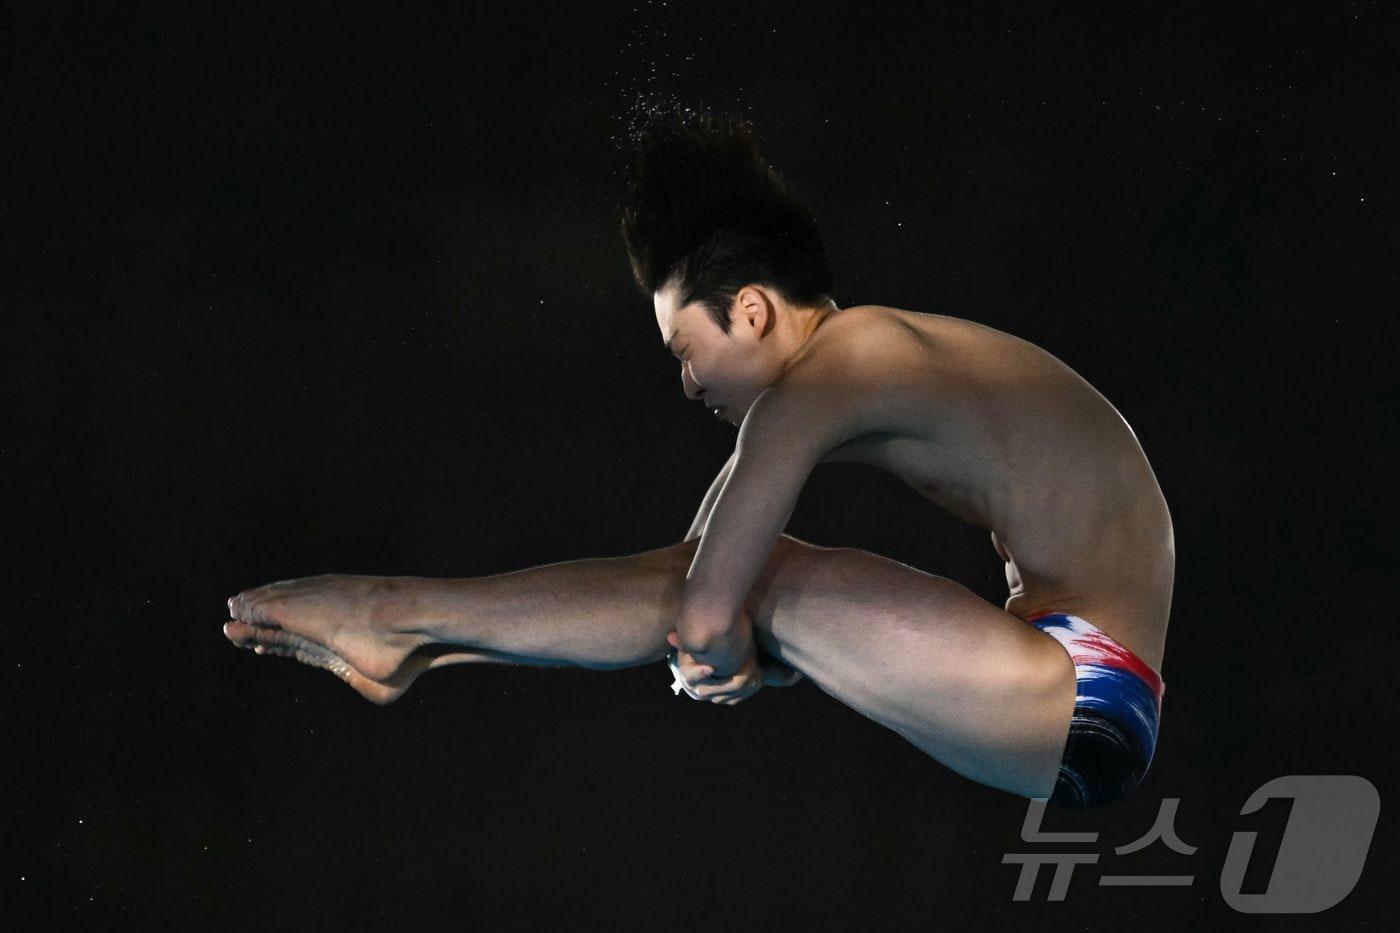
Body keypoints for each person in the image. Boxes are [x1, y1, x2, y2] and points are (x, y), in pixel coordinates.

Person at [222, 102, 1173, 809]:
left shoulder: (836, 373)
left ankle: (397, 616)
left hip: (1081, 690)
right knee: (727, 576)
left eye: (686, 350)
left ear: (751, 309)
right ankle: (412, 635)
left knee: (749, 578)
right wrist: (721, 646)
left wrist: (724, 650)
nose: (687, 385)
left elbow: (707, 607)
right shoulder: (865, 355)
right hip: (1078, 679)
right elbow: (694, 578)